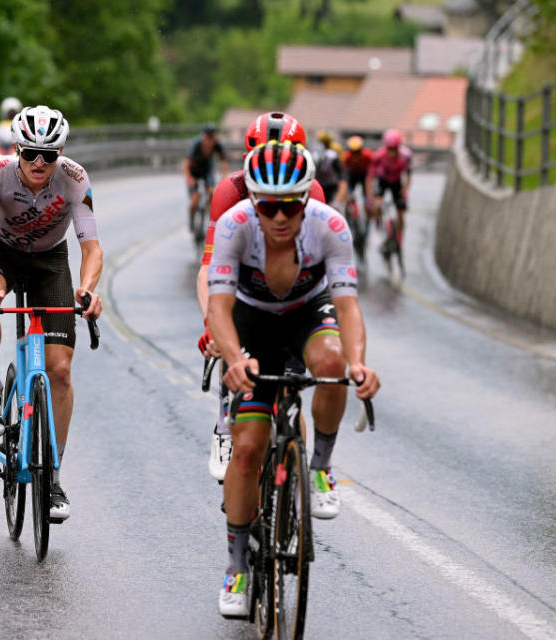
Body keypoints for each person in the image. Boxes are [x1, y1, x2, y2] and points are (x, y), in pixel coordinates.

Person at [207, 141, 380, 617]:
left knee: (332, 365)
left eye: (291, 206)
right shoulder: (234, 226)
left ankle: (320, 466)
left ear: (308, 199)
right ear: (252, 203)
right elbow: (219, 307)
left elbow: (347, 306)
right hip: (253, 322)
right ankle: (238, 565)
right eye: (268, 206)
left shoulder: (331, 226)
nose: (280, 218)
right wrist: (233, 358)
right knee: (246, 451)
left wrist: (359, 362)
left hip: (308, 312)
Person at [0, 104, 103, 522]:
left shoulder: (75, 179)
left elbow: (92, 249)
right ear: (17, 150)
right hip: (2, 253)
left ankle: (54, 476)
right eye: (30, 154)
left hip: (50, 262)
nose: (40, 163)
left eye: (49, 154)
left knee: (60, 372)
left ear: (60, 153)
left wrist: (87, 289)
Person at [195, 112, 326, 483]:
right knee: (230, 334)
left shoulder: (312, 191)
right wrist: (212, 326)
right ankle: (224, 423)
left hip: (289, 284)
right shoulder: (230, 191)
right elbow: (209, 269)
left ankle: (296, 470)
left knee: (290, 385)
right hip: (242, 281)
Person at [366, 128, 412, 249]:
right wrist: (370, 196)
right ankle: (379, 226)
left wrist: (405, 190)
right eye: (390, 149)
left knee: (400, 211)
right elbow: (370, 177)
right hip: (383, 181)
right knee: (376, 205)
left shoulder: (405, 156)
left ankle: (399, 237)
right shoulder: (378, 156)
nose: (392, 152)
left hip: (397, 182)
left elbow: (408, 176)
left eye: (395, 149)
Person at [182, 123, 229, 230]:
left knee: (212, 192)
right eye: (208, 137)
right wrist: (189, 179)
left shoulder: (217, 145)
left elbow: (224, 163)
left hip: (206, 172)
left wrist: (223, 178)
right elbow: (185, 165)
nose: (210, 141)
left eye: (212, 137)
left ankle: (207, 211)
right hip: (193, 172)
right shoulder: (195, 145)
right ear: (203, 136)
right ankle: (192, 219)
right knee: (195, 199)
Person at [312, 129, 348, 208]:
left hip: (331, 185)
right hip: (320, 184)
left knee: (333, 206)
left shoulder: (332, 155)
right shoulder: (314, 153)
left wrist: (338, 199)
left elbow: (342, 177)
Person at [342, 135, 372, 203]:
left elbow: (372, 167)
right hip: (352, 175)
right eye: (353, 152)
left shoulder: (367, 155)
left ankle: (367, 204)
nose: (356, 155)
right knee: (348, 195)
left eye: (358, 152)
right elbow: (344, 169)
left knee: (367, 195)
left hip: (364, 175)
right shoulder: (347, 157)